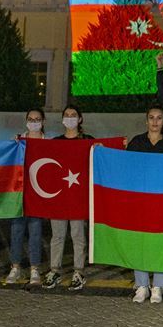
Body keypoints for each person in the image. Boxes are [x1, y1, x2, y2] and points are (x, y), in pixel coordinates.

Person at [128, 106, 163, 304]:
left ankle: (158, 285)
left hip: (162, 199)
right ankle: (141, 285)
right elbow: (125, 165)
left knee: (160, 241)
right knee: (140, 241)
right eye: (151, 118)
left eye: (159, 118)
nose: (155, 122)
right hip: (140, 199)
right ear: (146, 120)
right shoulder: (136, 142)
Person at [42, 105, 94, 292]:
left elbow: (100, 157)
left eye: (73, 115)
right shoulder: (55, 142)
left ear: (80, 119)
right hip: (59, 197)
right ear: (62, 119)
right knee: (57, 235)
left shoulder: (88, 141)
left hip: (78, 197)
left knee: (78, 235)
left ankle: (78, 271)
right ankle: (54, 269)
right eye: (67, 115)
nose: (70, 118)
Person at [6, 108, 46, 287]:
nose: (34, 122)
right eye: (31, 119)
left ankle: (34, 268)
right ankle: (15, 266)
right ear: (26, 121)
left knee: (36, 231)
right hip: (19, 194)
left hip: (37, 194)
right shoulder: (17, 142)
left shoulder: (50, 144)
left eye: (37, 119)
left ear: (43, 122)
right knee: (16, 230)